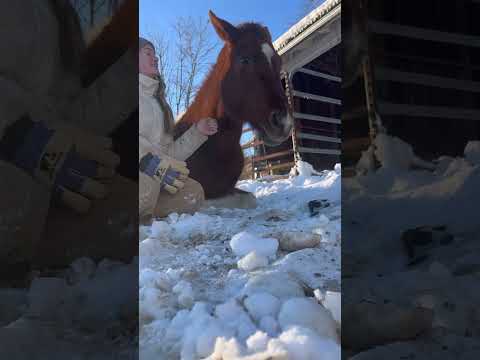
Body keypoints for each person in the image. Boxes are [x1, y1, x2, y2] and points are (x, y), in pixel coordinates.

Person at [0, 0, 138, 270]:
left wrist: (130, 73)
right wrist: (15, 131)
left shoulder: (61, 16)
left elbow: (68, 119)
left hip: (41, 190)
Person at [138, 37, 218, 222]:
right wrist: (147, 160)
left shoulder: (161, 105)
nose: (155, 58)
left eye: (155, 54)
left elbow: (170, 154)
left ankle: (145, 211)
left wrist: (198, 132)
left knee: (193, 192)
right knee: (149, 181)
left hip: (153, 179)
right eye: (148, 53)